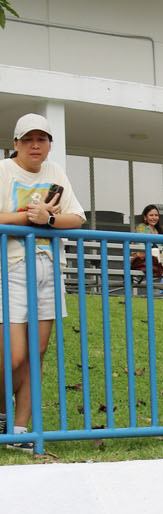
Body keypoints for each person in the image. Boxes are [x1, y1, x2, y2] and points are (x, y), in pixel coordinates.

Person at [1, 113, 86, 450]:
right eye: (28, 139)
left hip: (49, 266)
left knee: (36, 354)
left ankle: (21, 430)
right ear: (16, 144)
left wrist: (48, 218)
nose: (35, 145)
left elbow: (76, 218)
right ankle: (3, 413)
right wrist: (29, 217)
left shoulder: (56, 172)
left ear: (49, 144)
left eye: (42, 139)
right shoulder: (4, 171)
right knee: (14, 356)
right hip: (10, 267)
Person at [131, 204, 163, 278]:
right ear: (145, 217)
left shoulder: (158, 231)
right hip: (145, 261)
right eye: (151, 215)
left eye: (156, 215)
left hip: (158, 263)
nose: (154, 218)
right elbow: (141, 248)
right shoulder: (141, 227)